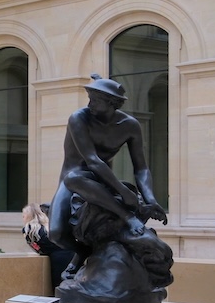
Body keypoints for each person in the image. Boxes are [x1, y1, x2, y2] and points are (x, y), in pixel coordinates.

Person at [48, 75, 168, 270]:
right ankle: (83, 252)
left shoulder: (130, 126)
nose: (90, 104)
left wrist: (151, 199)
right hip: (74, 177)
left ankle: (128, 220)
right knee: (56, 234)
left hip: (102, 180)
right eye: (90, 98)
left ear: (112, 104)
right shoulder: (79, 118)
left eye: (95, 100)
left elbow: (142, 167)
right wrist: (123, 191)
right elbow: (93, 161)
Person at [21, 203, 72, 289]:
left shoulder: (29, 229)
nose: (23, 218)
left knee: (59, 287)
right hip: (71, 255)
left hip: (58, 259)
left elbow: (38, 248)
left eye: (24, 216)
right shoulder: (48, 227)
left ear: (29, 216)